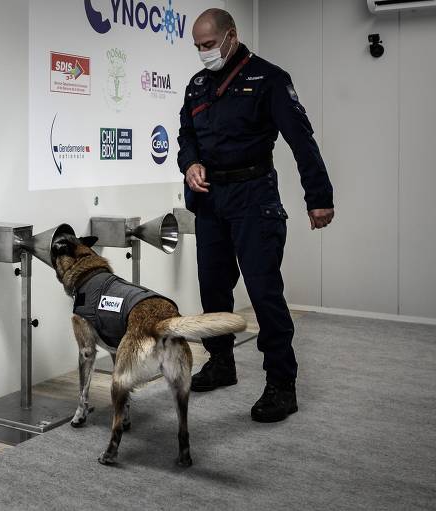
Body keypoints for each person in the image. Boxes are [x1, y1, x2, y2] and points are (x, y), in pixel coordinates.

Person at [177, 8, 335, 422]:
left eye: (209, 45)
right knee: (213, 289)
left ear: (231, 36)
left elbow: (301, 140)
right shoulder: (197, 86)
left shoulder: (269, 79)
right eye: (197, 47)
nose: (203, 53)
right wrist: (189, 163)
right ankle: (221, 362)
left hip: (253, 197)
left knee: (264, 293)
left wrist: (318, 196)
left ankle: (281, 384)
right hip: (210, 200)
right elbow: (185, 135)